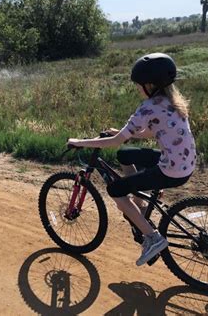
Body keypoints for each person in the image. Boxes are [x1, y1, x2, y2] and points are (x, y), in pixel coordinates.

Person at [67, 53, 196, 266]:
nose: (137, 89)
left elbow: (114, 142)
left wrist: (79, 142)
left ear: (150, 85)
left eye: (139, 85)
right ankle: (139, 203)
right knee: (124, 155)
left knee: (115, 190)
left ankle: (153, 238)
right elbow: (151, 132)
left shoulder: (148, 107)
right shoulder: (173, 101)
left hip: (169, 170)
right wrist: (125, 132)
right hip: (183, 162)